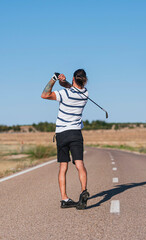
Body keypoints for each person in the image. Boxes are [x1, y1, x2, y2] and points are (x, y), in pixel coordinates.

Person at [41, 69, 90, 210]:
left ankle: (64, 199)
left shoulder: (64, 94)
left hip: (62, 133)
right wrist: (64, 82)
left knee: (63, 167)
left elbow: (44, 95)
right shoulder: (85, 94)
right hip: (75, 133)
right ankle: (83, 192)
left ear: (74, 78)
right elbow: (72, 87)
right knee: (79, 164)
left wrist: (54, 79)